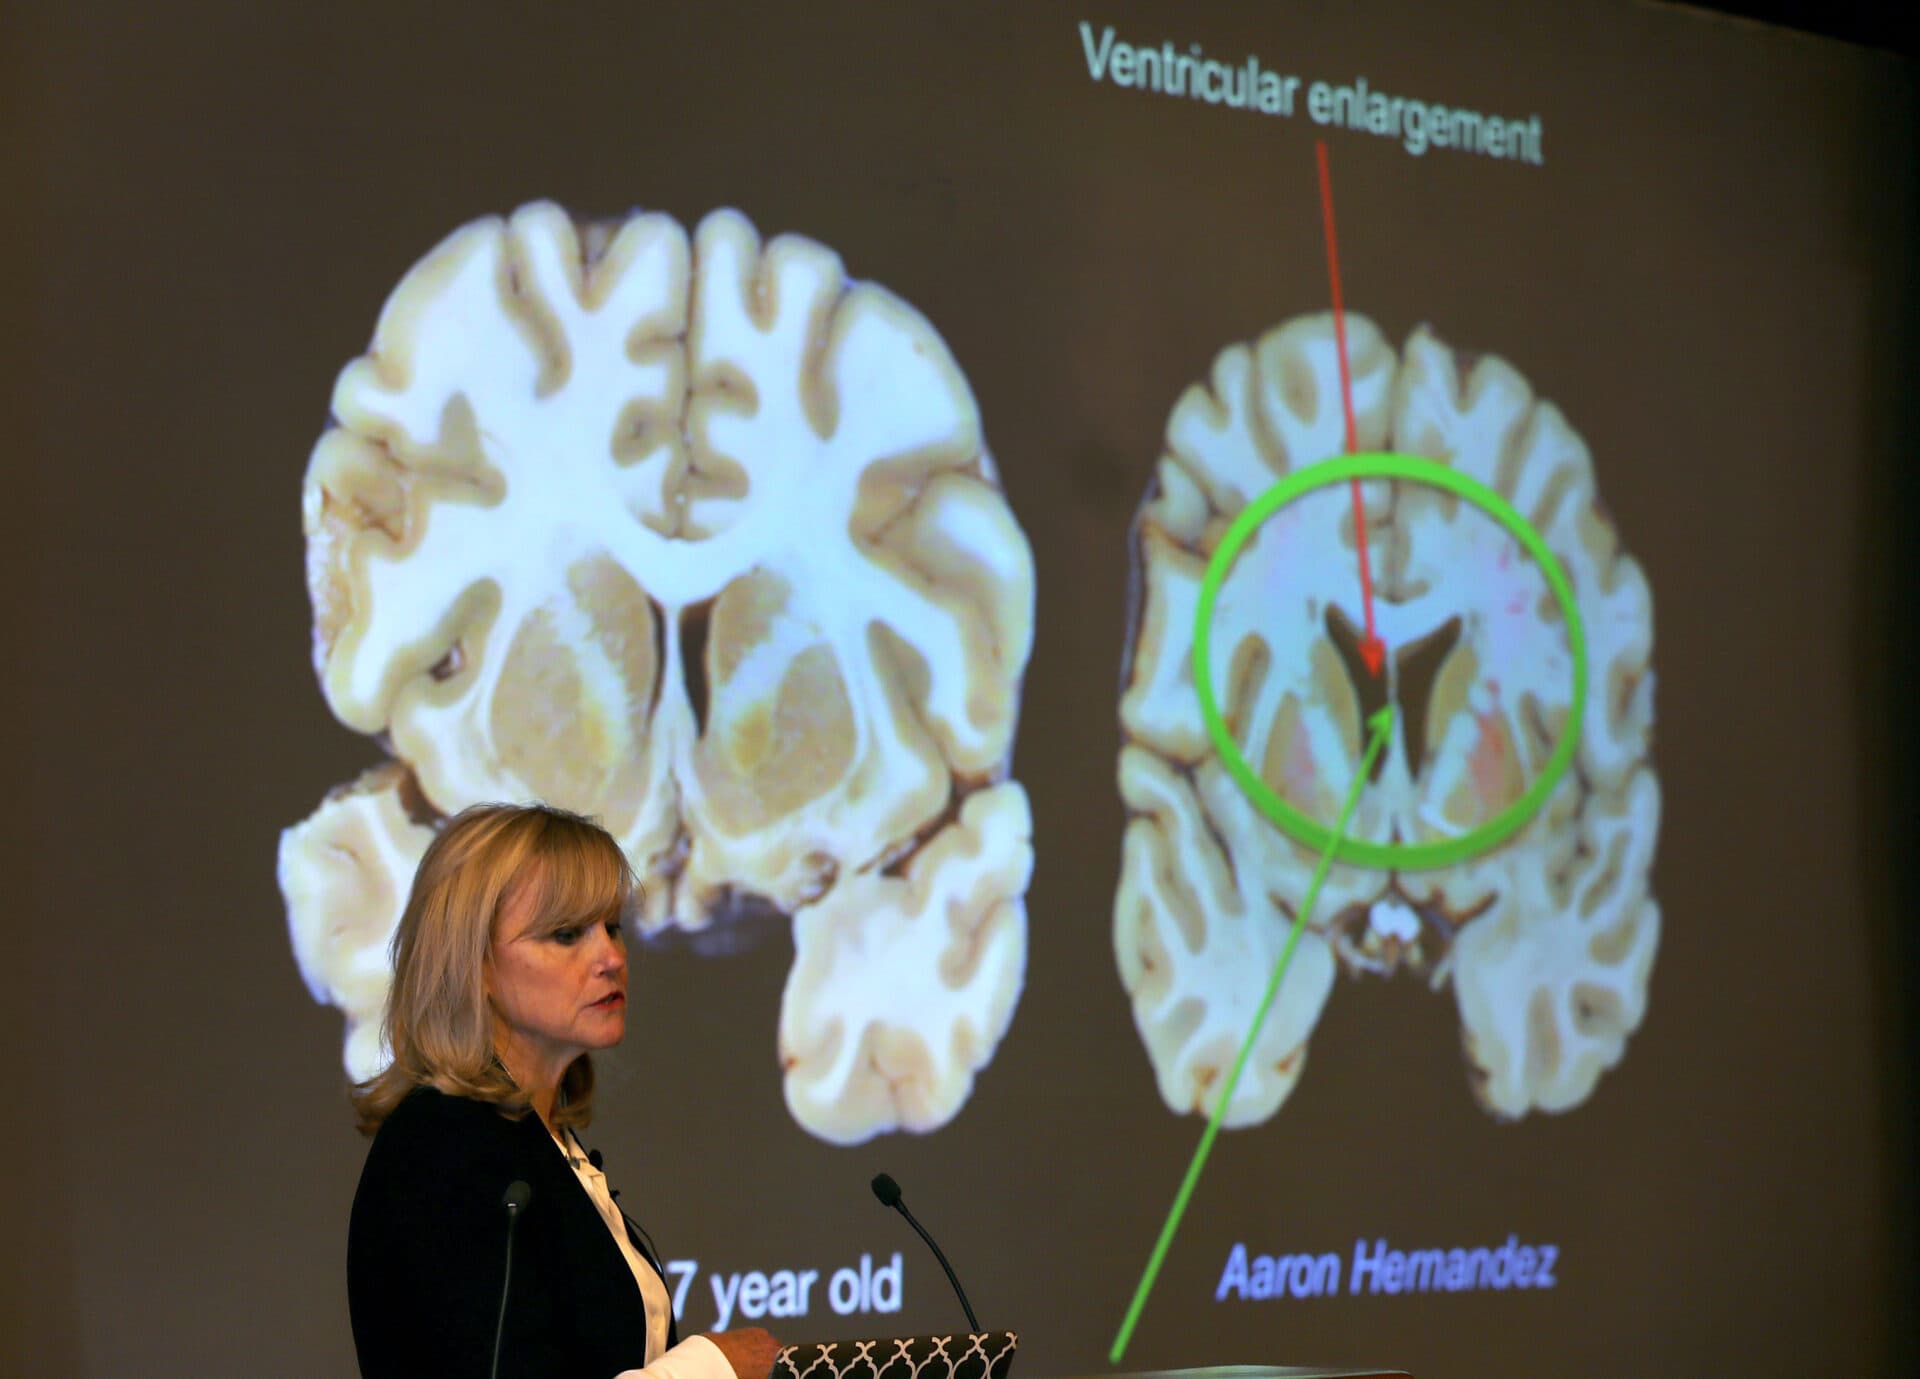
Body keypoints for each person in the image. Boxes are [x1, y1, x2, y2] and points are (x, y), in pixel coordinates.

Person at [346, 802, 783, 1379]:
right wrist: (711, 1368)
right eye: (566, 934)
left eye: (613, 927)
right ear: (473, 964)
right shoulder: (443, 1146)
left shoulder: (543, 1144)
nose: (611, 957)